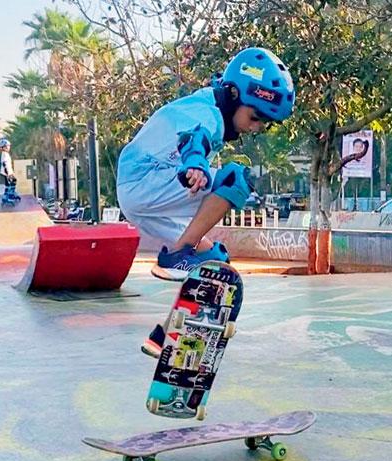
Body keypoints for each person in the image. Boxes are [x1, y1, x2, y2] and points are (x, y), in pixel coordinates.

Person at [120, 46, 295, 288]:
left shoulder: (205, 103)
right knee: (234, 179)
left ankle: (195, 289)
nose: (255, 128)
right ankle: (179, 256)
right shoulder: (208, 114)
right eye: (255, 117)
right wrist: (196, 165)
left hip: (142, 199)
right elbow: (194, 139)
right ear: (234, 94)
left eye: (264, 123)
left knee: (214, 260)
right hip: (146, 182)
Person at [0, 138, 16, 203]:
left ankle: (7, 196)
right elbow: (5, 164)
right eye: (7, 146)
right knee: (10, 184)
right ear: (4, 147)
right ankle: (8, 197)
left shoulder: (4, 154)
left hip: (7, 172)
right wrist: (8, 173)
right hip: (7, 173)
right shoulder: (5, 154)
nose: (9, 147)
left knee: (9, 184)